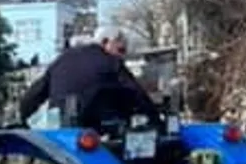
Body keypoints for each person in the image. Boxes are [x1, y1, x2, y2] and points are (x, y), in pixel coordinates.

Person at [16, 26, 161, 129]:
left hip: (60, 129)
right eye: (121, 50)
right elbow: (136, 93)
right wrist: (156, 120)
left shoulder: (62, 59)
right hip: (97, 128)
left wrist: (24, 119)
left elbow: (33, 95)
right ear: (105, 42)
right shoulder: (111, 62)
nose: (122, 55)